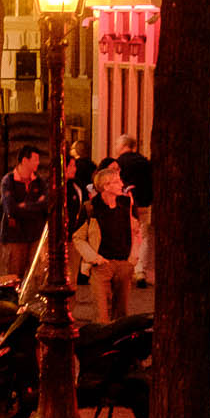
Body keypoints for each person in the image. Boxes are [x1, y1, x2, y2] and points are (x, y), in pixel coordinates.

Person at [74, 166, 139, 322]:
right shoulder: (91, 208)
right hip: (101, 266)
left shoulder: (126, 204)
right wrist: (94, 258)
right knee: (102, 315)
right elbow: (78, 237)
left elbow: (136, 230)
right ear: (106, 186)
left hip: (123, 264)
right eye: (117, 182)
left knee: (121, 314)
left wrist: (132, 259)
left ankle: (119, 344)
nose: (121, 184)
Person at [0, 145, 49, 278]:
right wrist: (35, 206)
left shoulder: (39, 182)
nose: (38, 163)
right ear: (25, 161)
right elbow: (11, 209)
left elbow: (46, 205)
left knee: (36, 277)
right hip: (15, 237)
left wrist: (24, 206)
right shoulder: (8, 181)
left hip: (35, 236)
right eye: (35, 159)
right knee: (14, 276)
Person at [112, 135, 155, 287]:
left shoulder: (119, 163)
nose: (115, 146)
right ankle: (140, 271)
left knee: (125, 236)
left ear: (124, 146)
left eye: (117, 144)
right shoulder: (144, 162)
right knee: (142, 237)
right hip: (142, 204)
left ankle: (125, 270)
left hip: (124, 206)